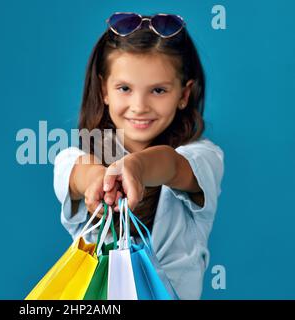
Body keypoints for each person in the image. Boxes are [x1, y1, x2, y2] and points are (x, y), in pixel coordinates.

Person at [53, 12, 224, 299]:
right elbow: (73, 167)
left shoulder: (204, 157)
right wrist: (100, 179)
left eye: (158, 90)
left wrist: (136, 168)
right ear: (104, 89)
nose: (139, 105)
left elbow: (171, 165)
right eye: (124, 89)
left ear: (184, 94)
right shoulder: (82, 157)